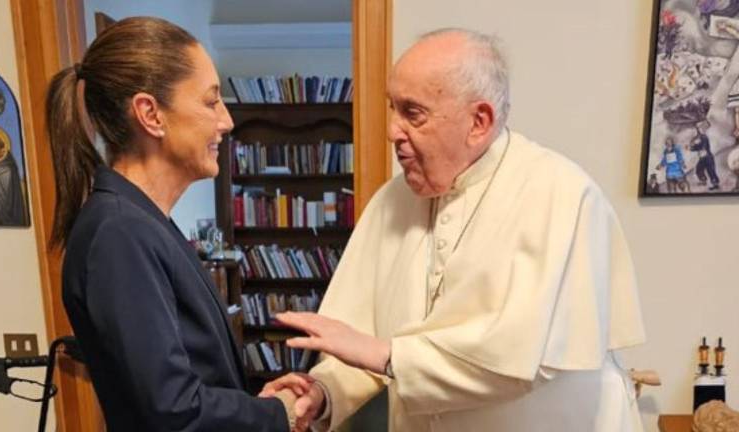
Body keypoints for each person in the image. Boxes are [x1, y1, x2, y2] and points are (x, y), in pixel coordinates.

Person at [262, 29, 646, 431]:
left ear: (479, 122)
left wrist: (388, 356)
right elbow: (360, 344)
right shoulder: (390, 202)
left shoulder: (561, 195)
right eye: (392, 108)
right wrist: (321, 391)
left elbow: (514, 362)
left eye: (413, 113)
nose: (392, 130)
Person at [47, 17, 312, 432]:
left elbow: (188, 381)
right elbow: (172, 411)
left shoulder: (144, 223)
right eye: (210, 102)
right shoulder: (119, 234)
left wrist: (256, 404)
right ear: (151, 114)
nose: (226, 121)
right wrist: (279, 412)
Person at [689, 120, 721, 191]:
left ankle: (715, 184)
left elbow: (702, 147)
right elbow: (698, 146)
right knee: (699, 169)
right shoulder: (700, 137)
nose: (697, 130)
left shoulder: (704, 137)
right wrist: (692, 147)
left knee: (711, 171)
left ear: (702, 129)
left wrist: (692, 147)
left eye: (698, 128)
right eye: (697, 129)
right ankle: (703, 180)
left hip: (708, 157)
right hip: (702, 157)